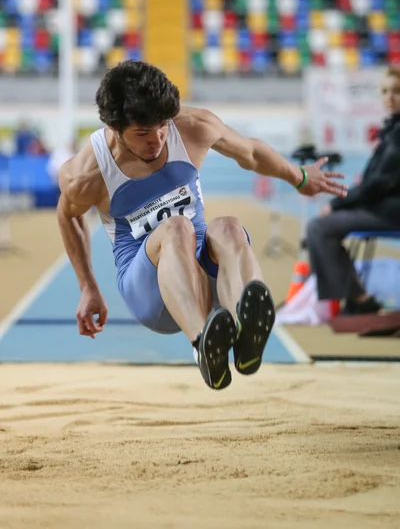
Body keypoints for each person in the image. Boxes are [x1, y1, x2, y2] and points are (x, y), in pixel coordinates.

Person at [57, 61, 347, 390]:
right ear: (114, 126)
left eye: (162, 126)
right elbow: (68, 215)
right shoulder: (87, 173)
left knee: (228, 227)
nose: (157, 140)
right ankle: (203, 345)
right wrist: (87, 287)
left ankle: (244, 330)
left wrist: (302, 177)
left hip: (205, 275)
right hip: (153, 297)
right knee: (177, 228)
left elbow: (250, 152)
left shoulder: (192, 126)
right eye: (142, 133)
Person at [307, 66, 400, 315]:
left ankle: (358, 299)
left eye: (397, 91)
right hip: (383, 207)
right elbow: (377, 181)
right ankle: (357, 298)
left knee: (319, 227)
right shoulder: (393, 129)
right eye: (385, 91)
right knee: (320, 227)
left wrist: (337, 204)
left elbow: (381, 184)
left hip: (390, 212)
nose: (389, 97)